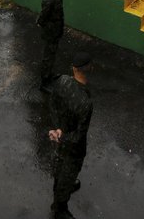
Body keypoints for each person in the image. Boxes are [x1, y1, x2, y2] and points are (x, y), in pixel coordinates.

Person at [47, 52, 94, 219]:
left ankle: (61, 187)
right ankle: (59, 209)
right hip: (72, 148)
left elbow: (52, 103)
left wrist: (55, 129)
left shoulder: (62, 81)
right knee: (69, 172)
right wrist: (62, 137)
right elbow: (79, 136)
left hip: (58, 136)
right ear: (89, 68)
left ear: (73, 68)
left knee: (59, 164)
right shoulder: (85, 103)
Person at [37, 0, 71, 90]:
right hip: (51, 31)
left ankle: (49, 74)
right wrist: (46, 27)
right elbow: (43, 16)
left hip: (55, 28)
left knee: (52, 54)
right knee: (48, 56)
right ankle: (44, 82)